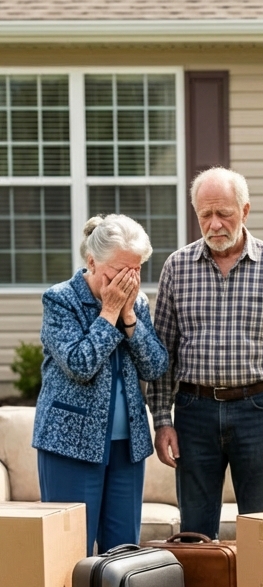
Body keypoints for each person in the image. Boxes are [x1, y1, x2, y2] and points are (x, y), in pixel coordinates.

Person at [148, 166, 263, 537]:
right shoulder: (177, 267)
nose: (215, 224)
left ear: (245, 210)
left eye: (224, 213)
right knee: (195, 527)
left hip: (258, 412)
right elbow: (163, 354)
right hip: (193, 413)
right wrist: (162, 419)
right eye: (206, 215)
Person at [33, 215, 168, 554]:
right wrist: (108, 313)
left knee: (122, 555)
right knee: (69, 552)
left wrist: (128, 317)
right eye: (117, 270)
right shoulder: (60, 300)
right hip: (70, 444)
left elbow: (155, 366)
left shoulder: (137, 303)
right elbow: (80, 365)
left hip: (127, 448)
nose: (126, 280)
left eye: (135, 271)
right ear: (92, 262)